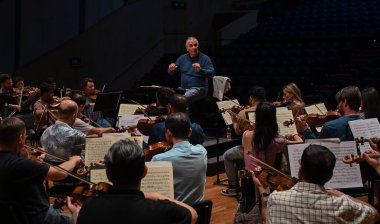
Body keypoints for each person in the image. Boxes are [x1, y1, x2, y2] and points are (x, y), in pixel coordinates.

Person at [67, 139, 198, 224]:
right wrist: (155, 196)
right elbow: (193, 214)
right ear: (144, 171)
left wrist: (76, 216)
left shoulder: (90, 207)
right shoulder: (161, 210)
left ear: (107, 174)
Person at [252, 144, 379, 224]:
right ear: (330, 177)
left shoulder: (275, 198)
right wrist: (340, 194)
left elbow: (266, 220)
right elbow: (374, 214)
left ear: (300, 170)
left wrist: (262, 189)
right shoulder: (343, 205)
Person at [0, 117, 82, 224]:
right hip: (38, 217)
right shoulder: (19, 164)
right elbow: (60, 173)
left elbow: (26, 173)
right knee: (80, 218)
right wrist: (74, 160)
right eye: (25, 136)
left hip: (12, 214)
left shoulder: (14, 163)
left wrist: (40, 159)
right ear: (20, 138)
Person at [151, 112, 207, 204]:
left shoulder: (158, 159)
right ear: (190, 132)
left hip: (174, 214)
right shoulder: (202, 151)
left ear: (169, 133)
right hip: (198, 212)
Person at [221, 85, 266, 197]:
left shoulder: (244, 113)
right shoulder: (268, 110)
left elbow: (237, 131)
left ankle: (233, 187)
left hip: (250, 151)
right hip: (266, 147)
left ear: (251, 98)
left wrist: (233, 117)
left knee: (226, 155)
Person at [297, 86, 362, 141]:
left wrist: (305, 129)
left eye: (339, 102)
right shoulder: (367, 123)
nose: (337, 106)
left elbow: (316, 149)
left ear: (345, 102)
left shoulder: (330, 126)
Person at [168, 36, 215, 103]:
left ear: (198, 46)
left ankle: (182, 113)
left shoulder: (205, 58)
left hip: (199, 89)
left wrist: (201, 70)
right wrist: (171, 69)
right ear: (187, 48)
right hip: (183, 88)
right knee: (168, 96)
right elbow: (171, 73)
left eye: (195, 45)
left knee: (181, 99)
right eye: (191, 46)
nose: (194, 47)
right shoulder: (182, 58)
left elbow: (212, 73)